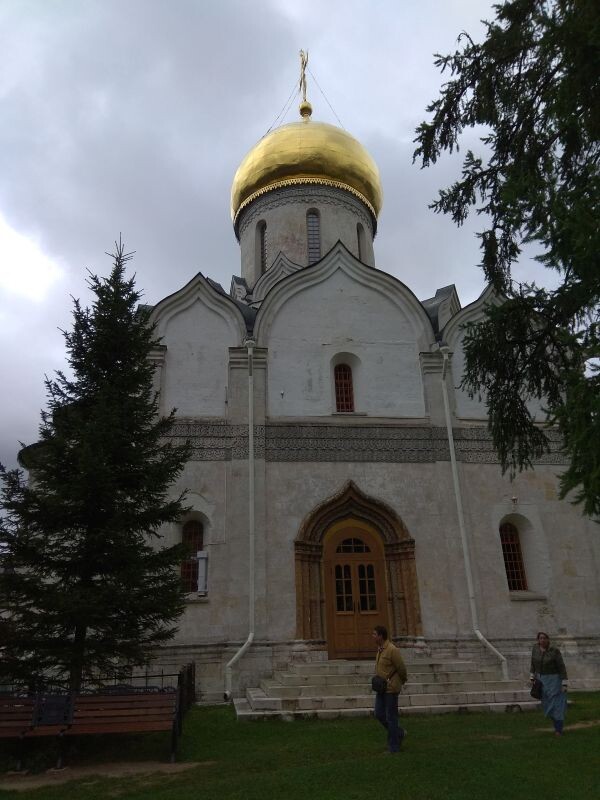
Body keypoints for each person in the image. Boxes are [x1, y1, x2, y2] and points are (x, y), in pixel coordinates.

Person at [372, 625, 408, 753]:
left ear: (381, 636)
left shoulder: (392, 649)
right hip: (381, 688)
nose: (372, 636)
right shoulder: (380, 649)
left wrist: (401, 681)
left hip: (391, 689)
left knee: (391, 717)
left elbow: (401, 667)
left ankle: (393, 747)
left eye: (374, 634)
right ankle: (399, 733)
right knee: (379, 713)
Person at [530, 631, 568, 736]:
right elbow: (533, 663)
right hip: (541, 680)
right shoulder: (535, 649)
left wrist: (564, 683)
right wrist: (532, 676)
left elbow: (561, 666)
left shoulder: (554, 651)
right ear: (538, 640)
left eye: (544, 638)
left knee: (557, 704)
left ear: (548, 639)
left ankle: (558, 729)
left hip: (554, 679)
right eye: (540, 638)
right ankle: (555, 725)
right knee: (547, 704)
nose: (542, 640)